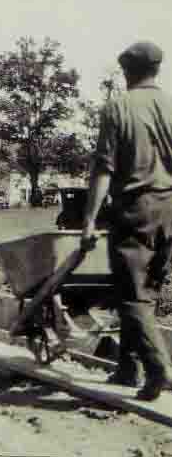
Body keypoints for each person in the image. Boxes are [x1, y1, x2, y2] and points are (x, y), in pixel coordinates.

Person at [82, 41, 172, 401]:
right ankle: (127, 368)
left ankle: (159, 368)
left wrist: (89, 220)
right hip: (170, 211)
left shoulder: (117, 107)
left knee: (132, 297)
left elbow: (104, 169)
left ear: (127, 71)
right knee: (146, 291)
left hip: (135, 210)